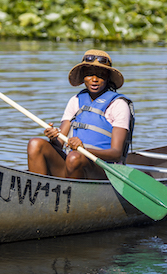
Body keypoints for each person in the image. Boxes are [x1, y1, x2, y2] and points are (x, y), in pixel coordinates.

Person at [27, 49, 134, 179]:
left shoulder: (118, 104)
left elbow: (116, 153)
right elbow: (59, 144)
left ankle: (75, 196)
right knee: (35, 144)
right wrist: (53, 137)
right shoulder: (76, 101)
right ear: (83, 77)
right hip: (73, 163)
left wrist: (83, 149)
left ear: (107, 77)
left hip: (105, 170)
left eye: (100, 75)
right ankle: (38, 191)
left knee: (74, 157)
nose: (94, 79)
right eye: (89, 74)